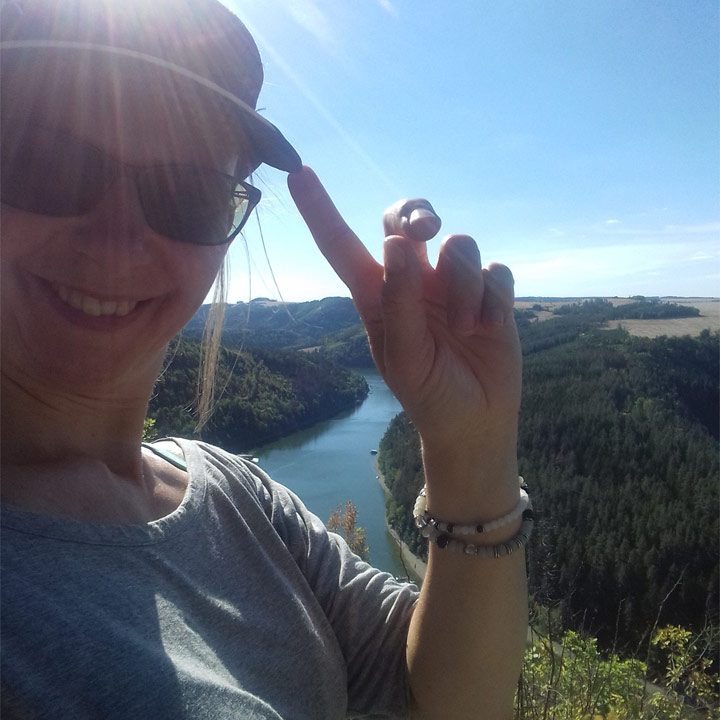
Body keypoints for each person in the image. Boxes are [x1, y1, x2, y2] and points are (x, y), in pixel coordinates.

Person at [0, 0, 529, 717]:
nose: (117, 241)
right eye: (46, 164)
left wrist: (472, 446)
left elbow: (441, 700)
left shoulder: (238, 498)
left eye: (186, 191)